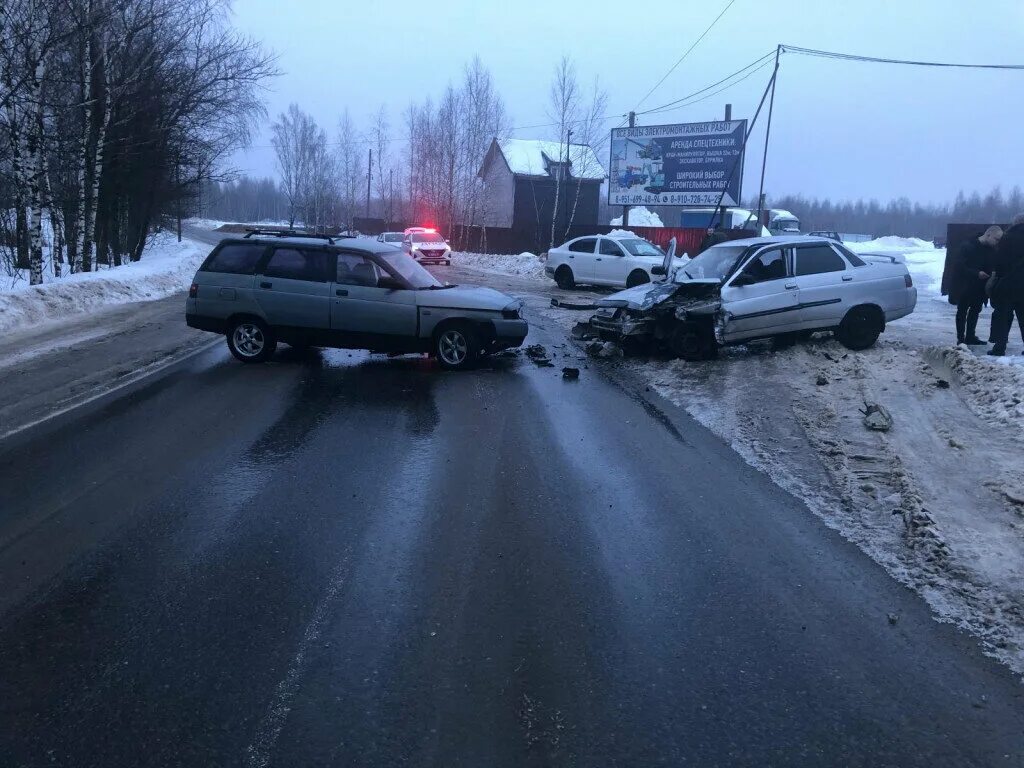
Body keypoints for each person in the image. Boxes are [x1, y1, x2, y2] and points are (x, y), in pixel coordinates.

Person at [948, 226, 1000, 344]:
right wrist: (976, 273)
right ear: (988, 235)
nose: (997, 243)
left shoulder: (990, 249)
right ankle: (961, 338)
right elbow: (959, 266)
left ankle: (971, 336)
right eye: (996, 239)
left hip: (980, 287)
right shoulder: (968, 246)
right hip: (965, 286)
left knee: (975, 311)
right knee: (962, 311)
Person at [988, 213, 1024, 356]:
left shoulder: (1006, 238)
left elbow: (999, 262)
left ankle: (999, 347)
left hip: (1007, 284)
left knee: (1003, 317)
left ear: (1015, 223)